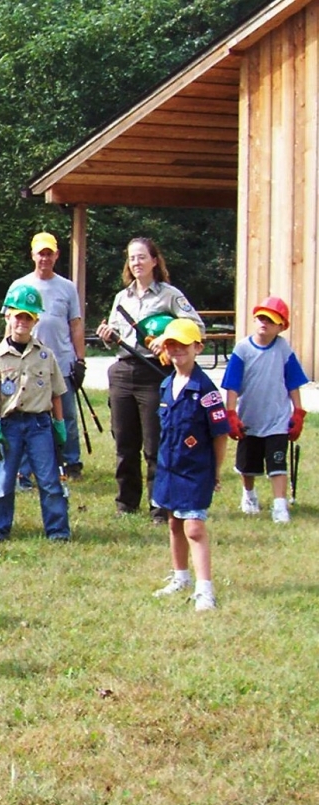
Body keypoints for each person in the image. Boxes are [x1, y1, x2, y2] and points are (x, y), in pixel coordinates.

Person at [96, 237, 204, 522]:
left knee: (155, 444)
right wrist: (108, 336)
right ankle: (126, 504)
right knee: (124, 442)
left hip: (154, 372)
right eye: (132, 258)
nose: (137, 263)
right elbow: (115, 336)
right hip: (123, 371)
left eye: (142, 257)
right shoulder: (122, 298)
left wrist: (168, 338)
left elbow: (196, 326)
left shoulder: (169, 295)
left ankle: (160, 506)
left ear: (155, 261)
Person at [149, 319, 230, 611]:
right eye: (171, 344)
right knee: (174, 522)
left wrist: (215, 470)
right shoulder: (166, 385)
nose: (176, 350)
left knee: (194, 528)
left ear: (198, 347)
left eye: (183, 344)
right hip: (169, 467)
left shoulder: (205, 390)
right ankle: (180, 577)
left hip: (195, 470)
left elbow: (220, 434)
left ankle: (205, 590)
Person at [0, 284, 70, 542]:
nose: (22, 322)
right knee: (3, 481)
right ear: (8, 316)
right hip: (9, 425)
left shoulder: (45, 355)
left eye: (28, 317)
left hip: (39, 425)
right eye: (18, 316)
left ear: (36, 320)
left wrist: (59, 424)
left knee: (49, 480)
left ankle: (58, 531)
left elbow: (56, 393)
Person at [222, 296, 309, 523]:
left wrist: (298, 412)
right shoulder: (242, 349)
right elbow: (232, 385)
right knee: (247, 465)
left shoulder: (283, 349)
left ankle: (280, 505)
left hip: (277, 420)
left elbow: (293, 382)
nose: (264, 323)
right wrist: (231, 414)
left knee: (277, 464)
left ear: (281, 326)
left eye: (270, 320)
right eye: (261, 318)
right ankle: (249, 495)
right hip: (249, 419)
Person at [11, 232, 86, 485]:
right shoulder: (20, 285)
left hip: (61, 361)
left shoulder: (67, 287)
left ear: (56, 255)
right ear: (32, 255)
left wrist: (80, 360)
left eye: (49, 253)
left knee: (66, 416)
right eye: (40, 253)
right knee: (28, 415)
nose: (44, 258)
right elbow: (9, 324)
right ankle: (28, 466)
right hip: (28, 364)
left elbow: (75, 324)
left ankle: (71, 462)